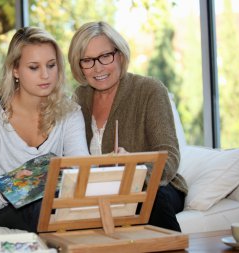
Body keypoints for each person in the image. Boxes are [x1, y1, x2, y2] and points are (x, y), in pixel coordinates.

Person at [68, 21, 188, 232]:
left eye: (105, 56)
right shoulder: (79, 97)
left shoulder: (149, 90)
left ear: (120, 55)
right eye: (87, 60)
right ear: (80, 67)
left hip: (158, 186)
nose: (98, 68)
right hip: (103, 190)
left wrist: (135, 170)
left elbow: (170, 156)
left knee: (145, 196)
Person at [0, 27, 89, 233]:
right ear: (15, 70)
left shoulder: (70, 113)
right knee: (41, 207)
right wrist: (14, 189)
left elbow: (84, 174)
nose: (45, 75)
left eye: (51, 65)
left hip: (52, 208)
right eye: (34, 67)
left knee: (56, 207)